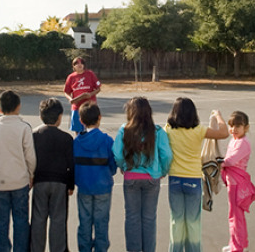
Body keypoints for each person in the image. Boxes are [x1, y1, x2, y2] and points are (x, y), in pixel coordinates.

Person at [164, 97, 228, 252]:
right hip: (193, 179)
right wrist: (218, 115)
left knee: (177, 222)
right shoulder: (198, 130)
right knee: (193, 222)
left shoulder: (168, 129)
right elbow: (224, 132)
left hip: (174, 179)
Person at [113, 97, 173, 252]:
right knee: (149, 218)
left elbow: (117, 154)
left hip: (131, 177)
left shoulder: (124, 130)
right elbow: (166, 155)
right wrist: (163, 171)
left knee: (132, 218)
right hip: (152, 177)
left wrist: (124, 166)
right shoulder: (158, 131)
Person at [0, 90, 36, 252]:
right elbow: (30, 156)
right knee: (21, 219)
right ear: (18, 107)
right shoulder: (24, 128)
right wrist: (31, 174)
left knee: (1, 220)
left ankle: (3, 249)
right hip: (20, 180)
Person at [30, 98, 75, 252]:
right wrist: (70, 184)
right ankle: (58, 249)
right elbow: (71, 164)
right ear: (60, 117)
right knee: (58, 220)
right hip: (60, 183)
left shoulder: (34, 135)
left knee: (38, 219)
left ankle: (36, 249)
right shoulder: (67, 138)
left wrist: (31, 178)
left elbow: (30, 159)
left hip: (40, 181)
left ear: (41, 117)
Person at [73, 102, 116, 252]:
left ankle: (84, 248)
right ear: (99, 118)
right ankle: (101, 248)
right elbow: (113, 163)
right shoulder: (107, 140)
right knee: (102, 222)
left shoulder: (76, 142)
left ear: (81, 121)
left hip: (84, 186)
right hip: (103, 186)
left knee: (84, 221)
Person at [221, 111, 255, 252]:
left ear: (246, 127)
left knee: (236, 216)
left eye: (237, 126)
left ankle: (237, 247)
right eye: (231, 126)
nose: (233, 129)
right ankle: (237, 243)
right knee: (235, 215)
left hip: (237, 182)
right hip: (232, 181)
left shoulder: (243, 143)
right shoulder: (235, 140)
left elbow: (230, 160)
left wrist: (219, 162)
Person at [64, 57, 101, 132]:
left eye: (81, 63)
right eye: (77, 63)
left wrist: (90, 94)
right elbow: (66, 92)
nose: (79, 65)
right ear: (73, 66)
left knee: (91, 129)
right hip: (77, 108)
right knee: (78, 131)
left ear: (84, 65)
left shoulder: (90, 74)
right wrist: (71, 99)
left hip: (89, 107)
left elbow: (98, 88)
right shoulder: (71, 77)